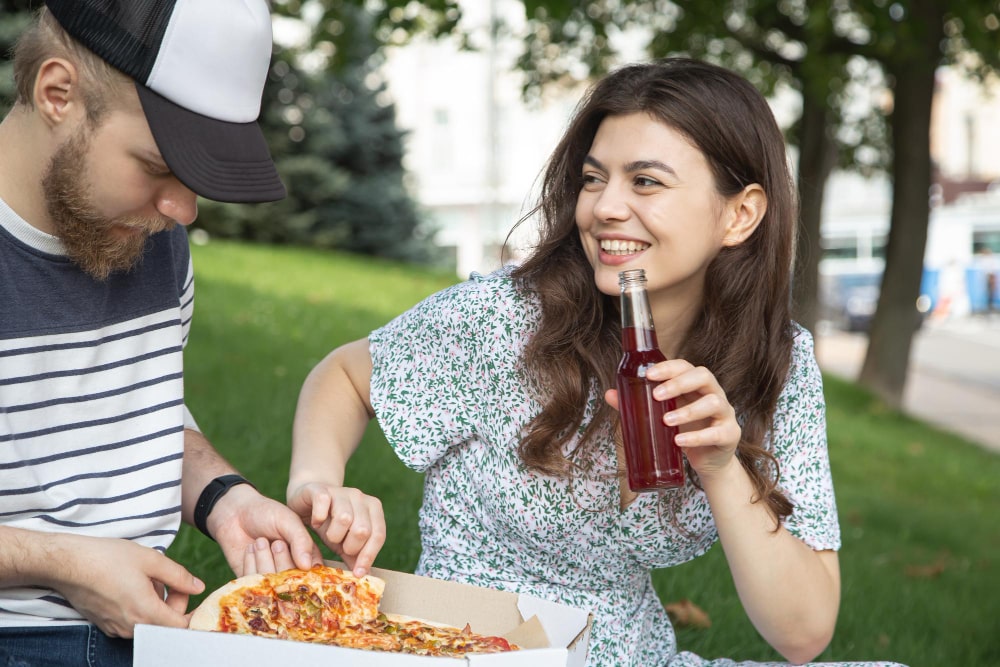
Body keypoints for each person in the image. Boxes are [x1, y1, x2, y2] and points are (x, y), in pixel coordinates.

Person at [287, 59, 905, 666]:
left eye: (646, 181)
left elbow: (803, 634)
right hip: (467, 644)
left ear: (740, 213)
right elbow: (346, 376)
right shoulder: (506, 317)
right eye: (592, 178)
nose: (605, 207)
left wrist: (721, 468)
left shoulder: (777, 363)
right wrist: (317, 481)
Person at [0, 1, 323, 664]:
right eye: (156, 166)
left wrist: (224, 499)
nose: (182, 209)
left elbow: (132, 418)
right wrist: (65, 564)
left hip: (148, 633)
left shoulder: (148, 234)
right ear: (56, 92)